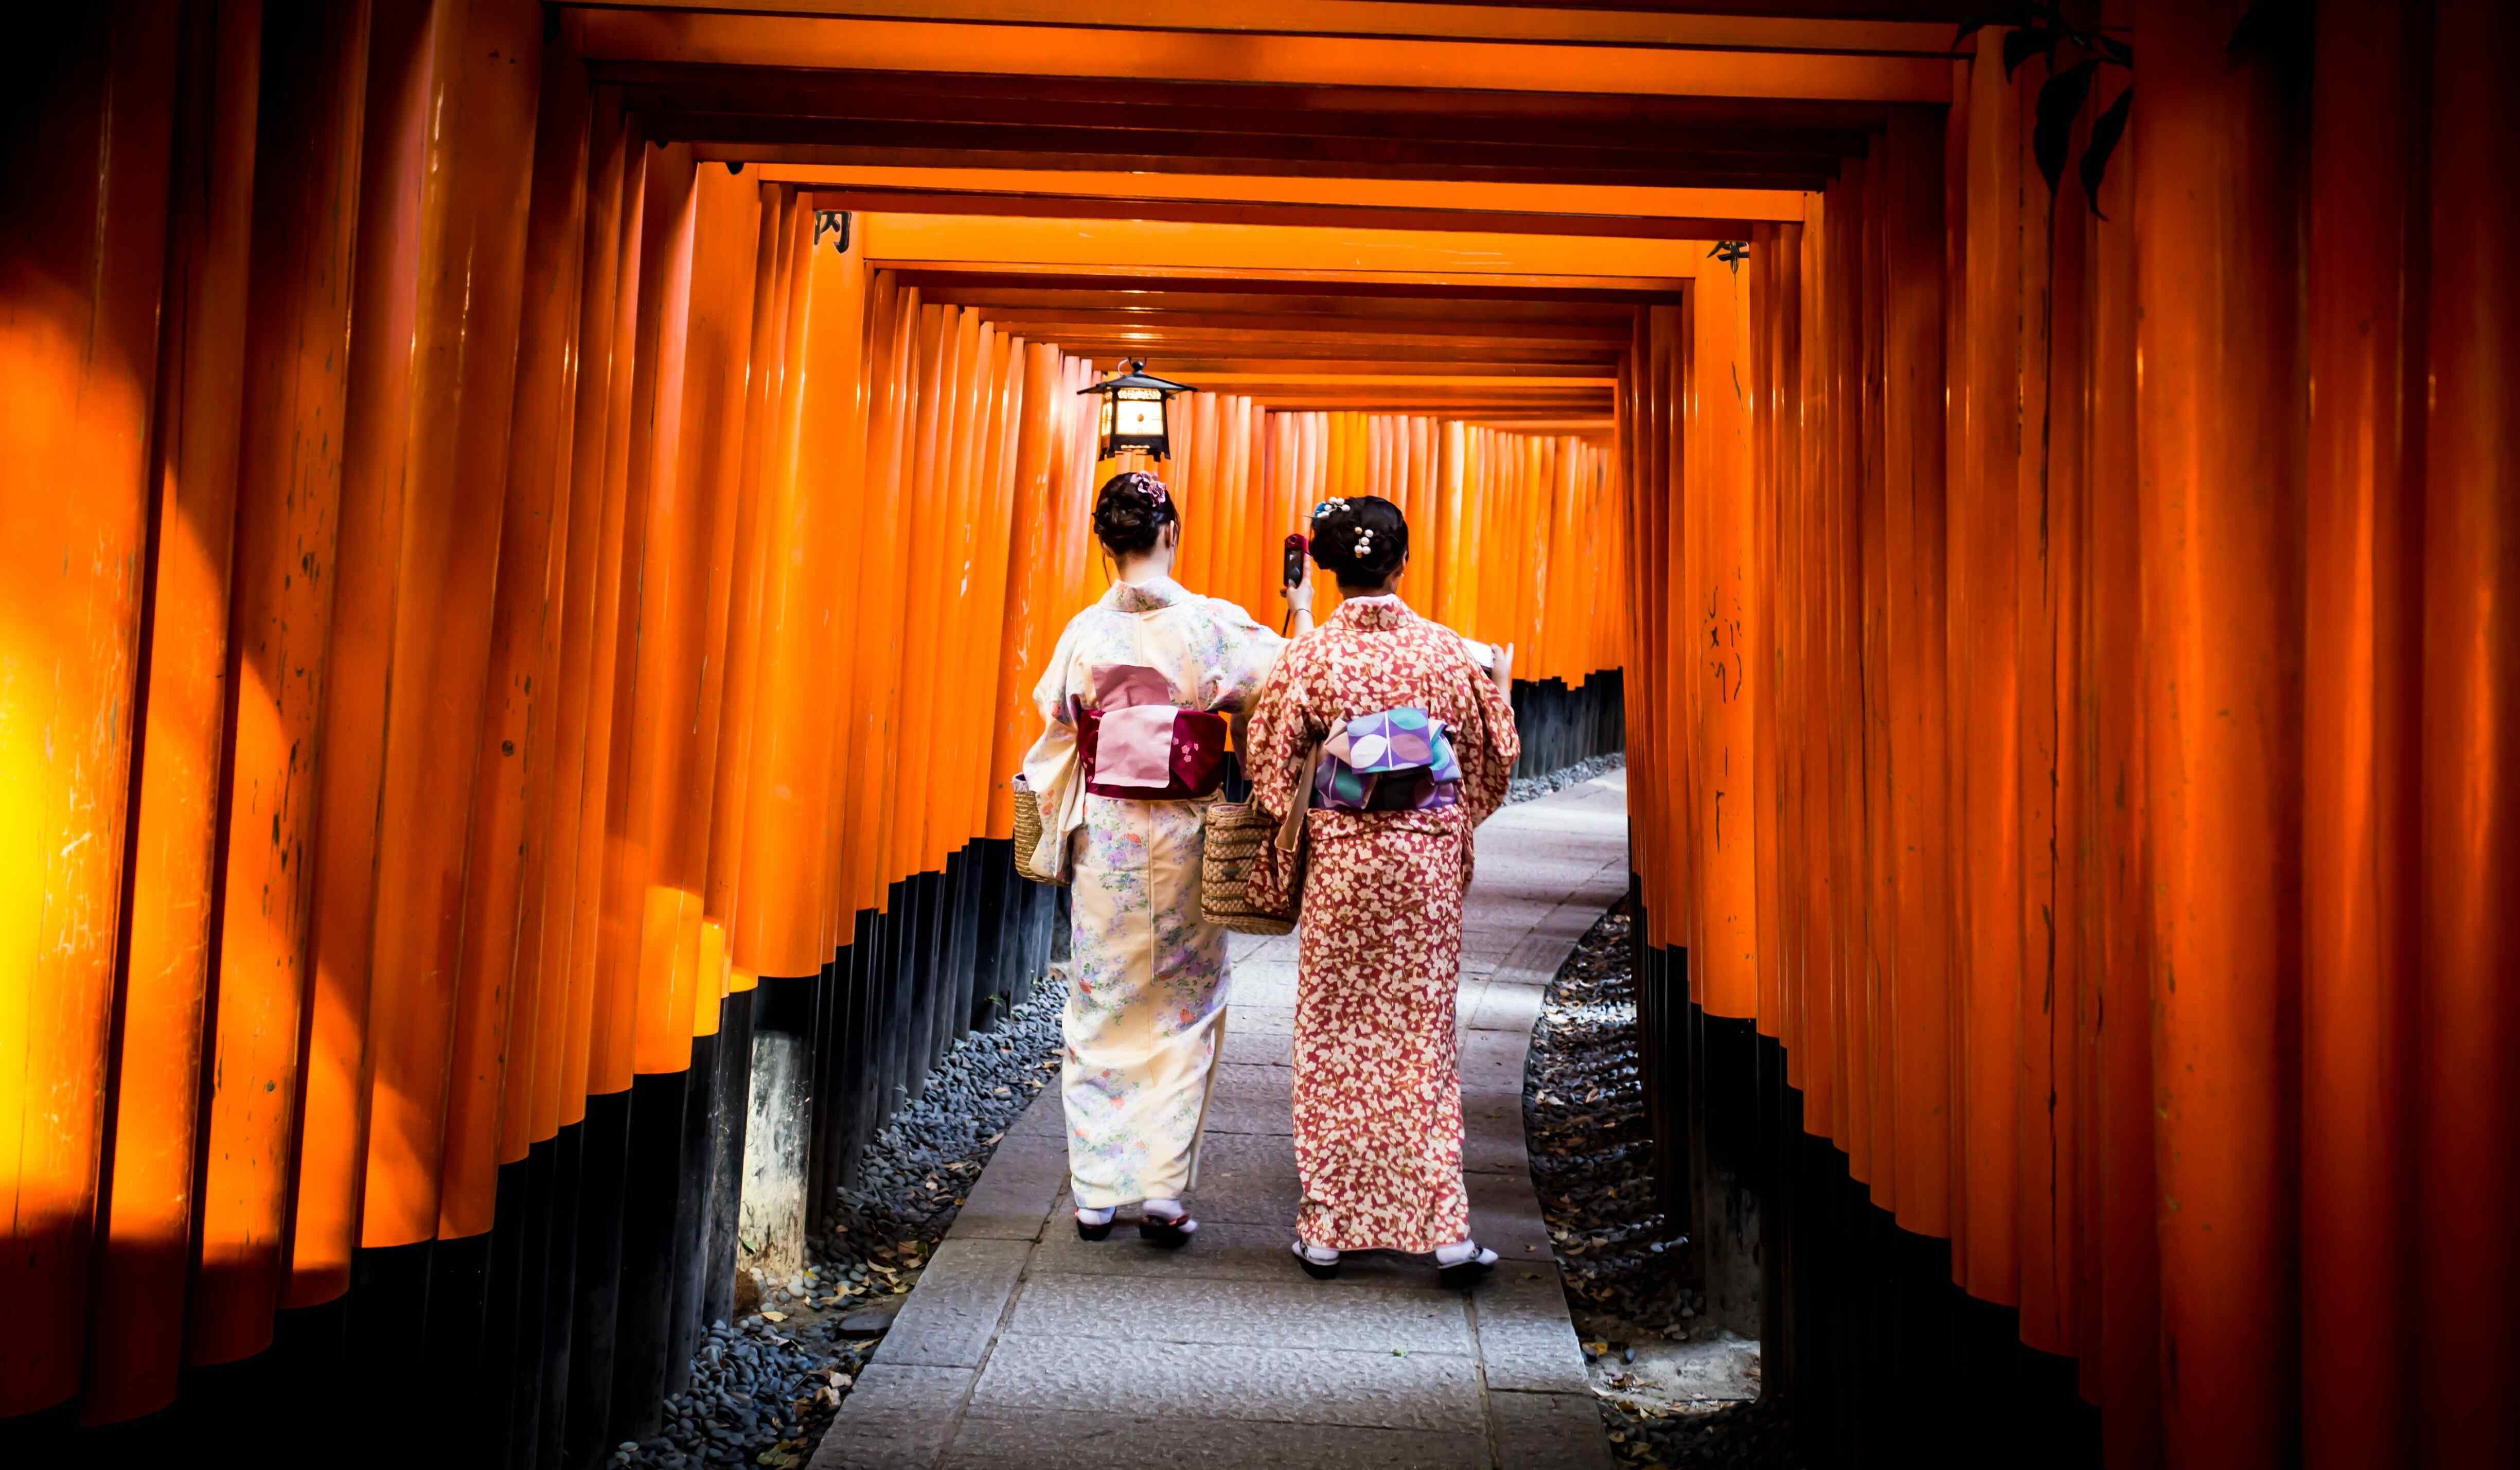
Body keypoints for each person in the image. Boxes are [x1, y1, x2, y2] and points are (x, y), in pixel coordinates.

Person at [1018, 471, 1315, 1245]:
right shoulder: (1211, 626)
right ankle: (1160, 1191)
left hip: (1108, 834)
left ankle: (1093, 1190)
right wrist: (1303, 612)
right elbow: (1285, 684)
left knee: (1099, 999)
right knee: (1186, 1005)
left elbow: (1056, 723)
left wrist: (1057, 811)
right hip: (1183, 832)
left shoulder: (1085, 631)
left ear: (1102, 543)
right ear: (1171, 533)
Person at [1240, 493, 1521, 1286]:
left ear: (1326, 572)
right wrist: (1444, 817)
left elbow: (1269, 769)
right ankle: (1444, 1231)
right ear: (1402, 563)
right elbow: (1494, 758)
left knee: (1334, 1037)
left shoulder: (1311, 656)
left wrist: (1331, 798)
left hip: (1342, 868)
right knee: (1420, 1043)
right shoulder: (1441, 654)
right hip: (1424, 871)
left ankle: (1328, 1226)